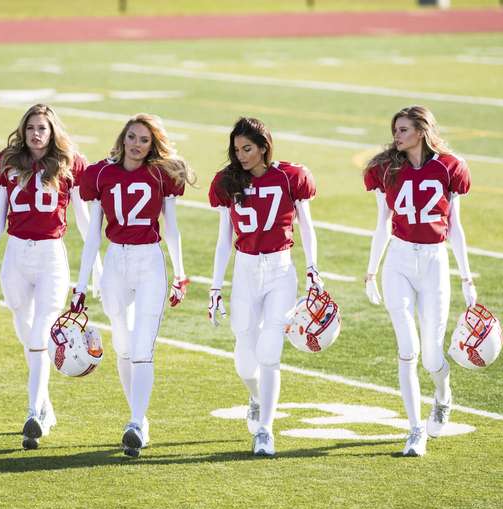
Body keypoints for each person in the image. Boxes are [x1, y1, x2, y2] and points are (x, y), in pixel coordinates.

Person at [0, 104, 101, 450]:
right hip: (16, 255)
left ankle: (32, 415)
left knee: (41, 333)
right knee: (27, 334)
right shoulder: (7, 163)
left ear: (52, 131)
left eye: (42, 128)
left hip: (51, 256)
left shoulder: (70, 163)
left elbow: (84, 220)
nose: (36, 134)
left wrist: (95, 263)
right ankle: (44, 403)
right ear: (23, 132)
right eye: (31, 128)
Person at [70, 113, 194, 458]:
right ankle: (136, 417)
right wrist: (80, 284)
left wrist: (180, 272)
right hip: (115, 262)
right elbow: (92, 236)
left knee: (142, 348)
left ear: (153, 145)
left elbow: (171, 228)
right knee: (122, 344)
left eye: (145, 140)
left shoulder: (160, 174)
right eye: (133, 137)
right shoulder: (100, 174)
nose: (137, 145)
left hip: (149, 261)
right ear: (122, 138)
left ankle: (136, 422)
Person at [363, 105, 476, 457]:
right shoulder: (385, 168)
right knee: (407, 349)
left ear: (421, 131)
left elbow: (455, 228)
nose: (396, 136)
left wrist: (466, 276)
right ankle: (414, 430)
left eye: (403, 130)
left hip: (433, 260)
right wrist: (371, 270)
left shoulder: (448, 167)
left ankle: (442, 396)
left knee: (431, 356)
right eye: (395, 129)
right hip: (398, 259)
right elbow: (382, 223)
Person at [207, 117, 323, 457]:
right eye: (237, 149)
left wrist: (313, 269)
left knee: (270, 353)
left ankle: (266, 430)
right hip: (245, 270)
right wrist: (215, 286)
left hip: (280, 269)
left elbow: (307, 227)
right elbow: (223, 239)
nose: (242, 156)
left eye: (248, 149)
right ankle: (256, 397)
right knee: (245, 362)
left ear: (263, 147)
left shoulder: (290, 176)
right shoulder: (227, 182)